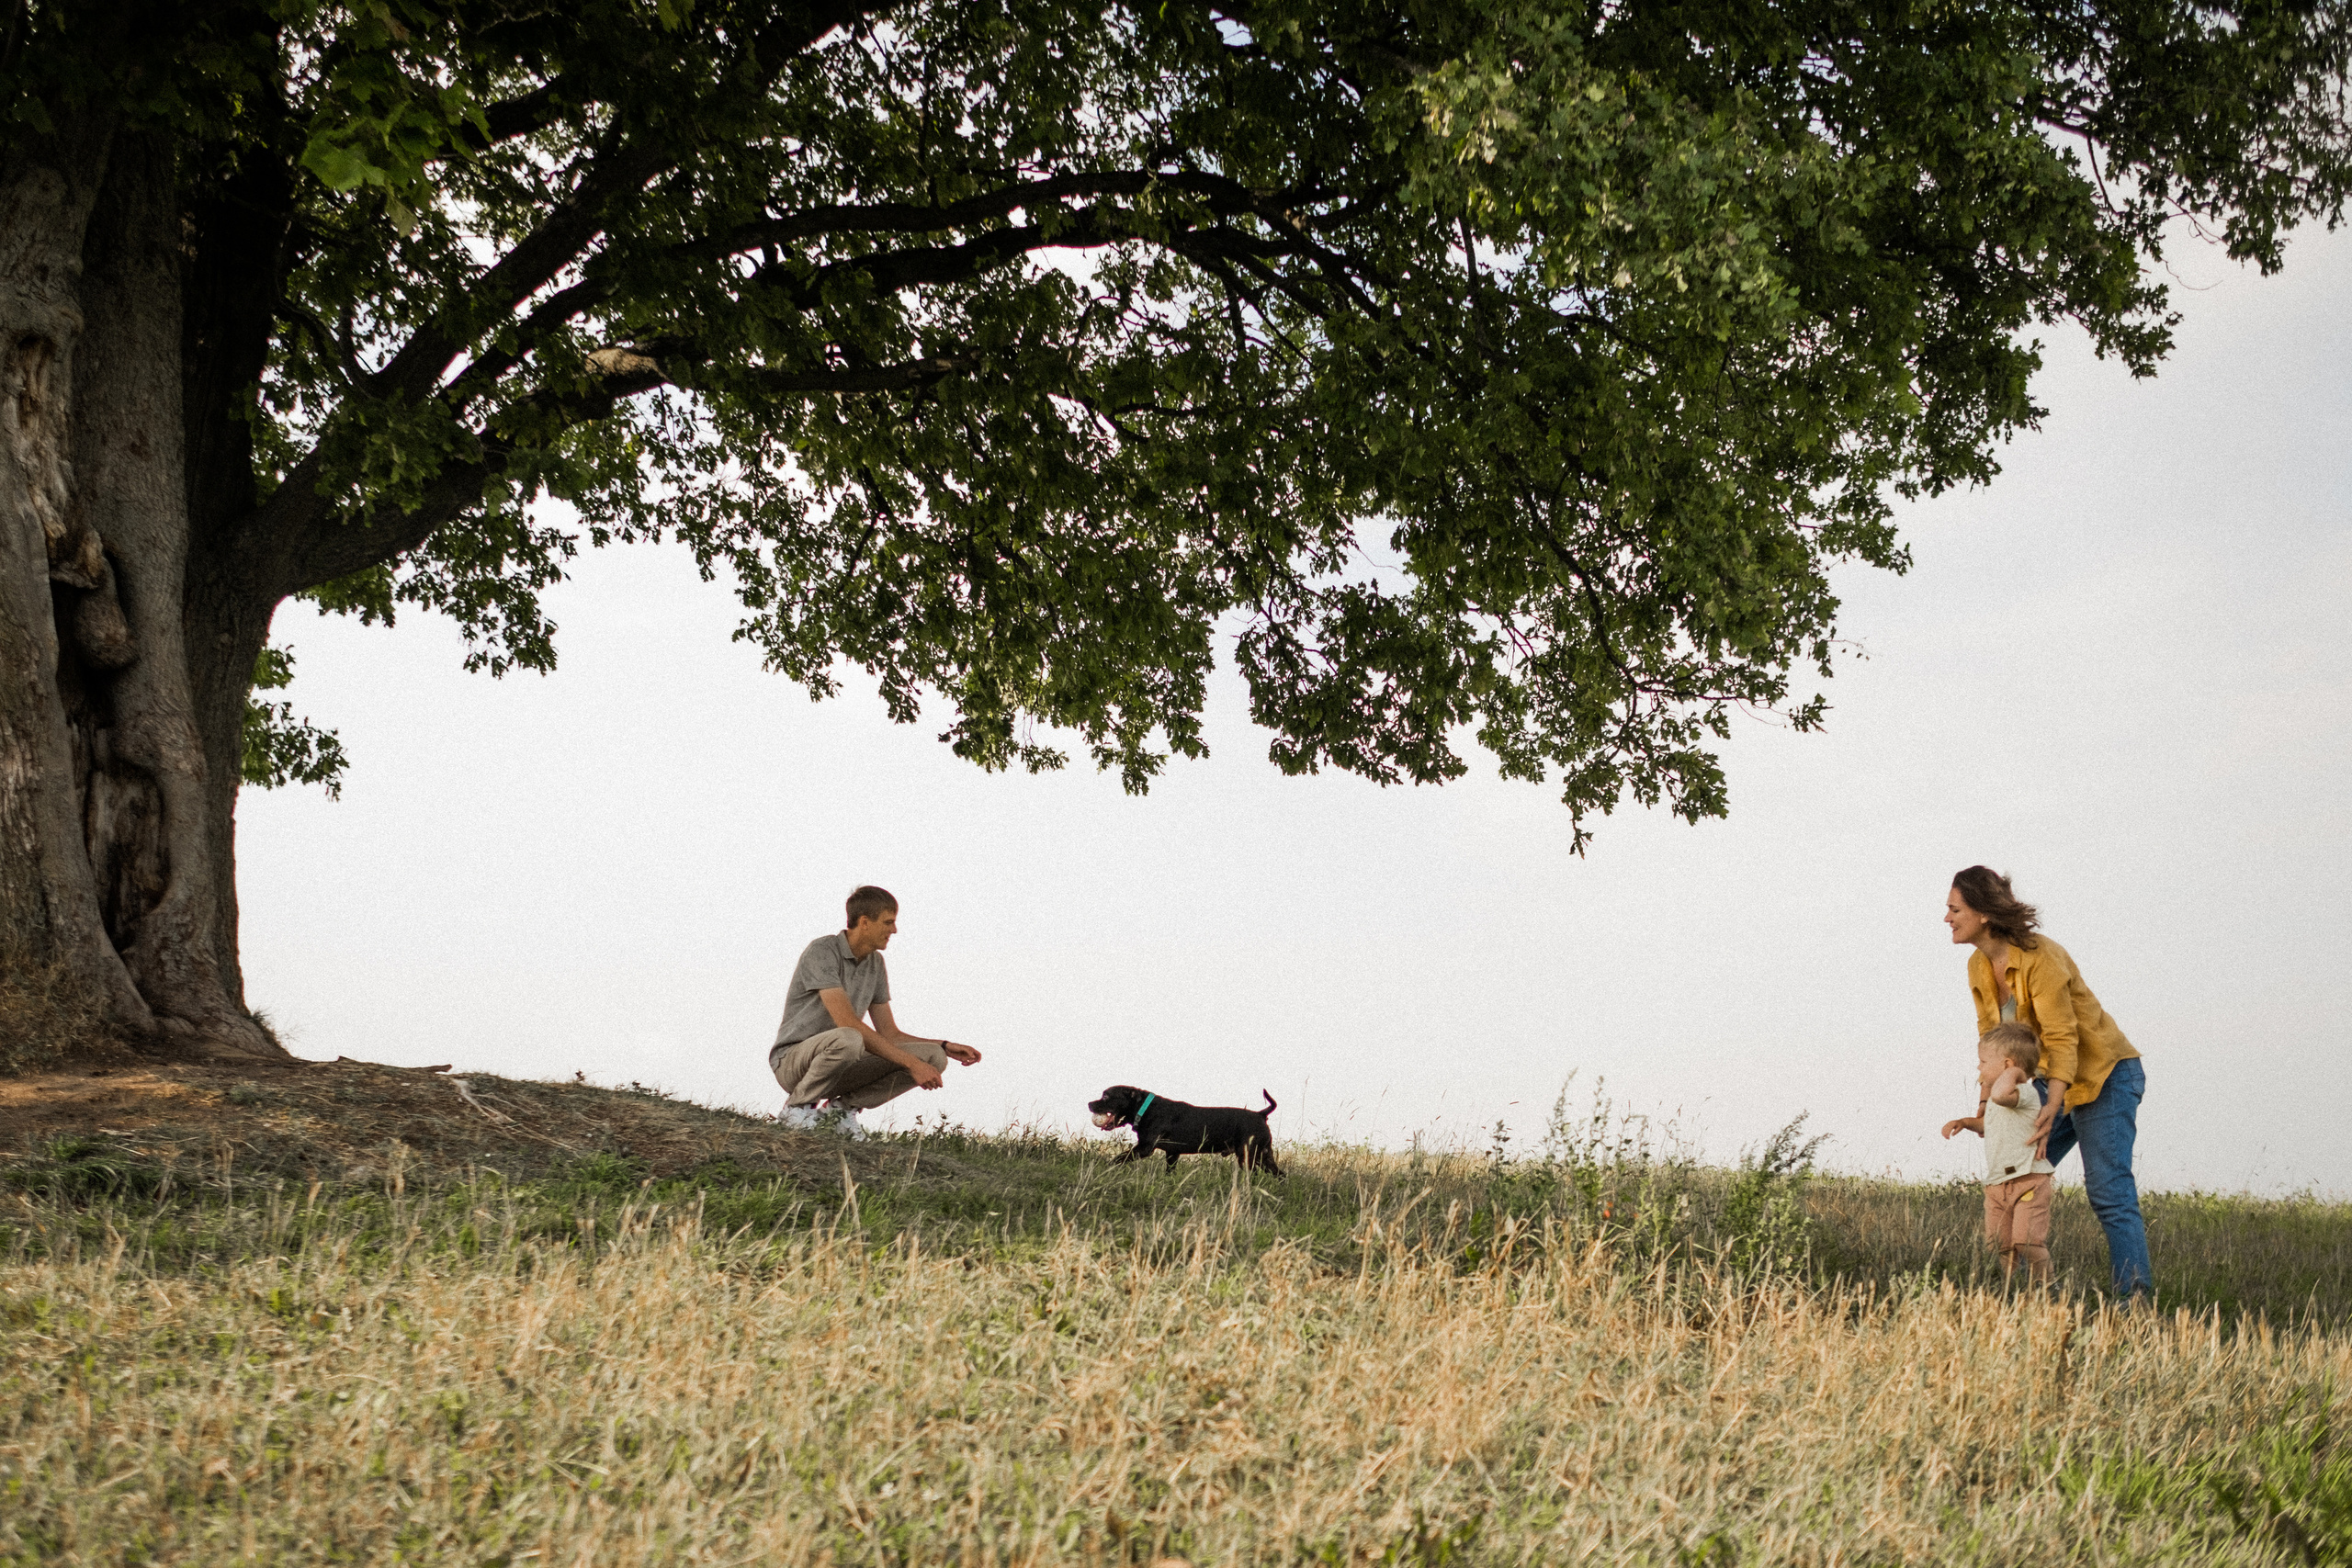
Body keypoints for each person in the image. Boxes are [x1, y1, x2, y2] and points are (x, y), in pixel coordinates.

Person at [1944, 865, 2150, 1300]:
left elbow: (2061, 1036)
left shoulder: (2041, 957)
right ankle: (2038, 1300)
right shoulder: (1978, 967)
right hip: (2051, 1086)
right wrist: (1985, 1113)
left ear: (1982, 913)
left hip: (2102, 1078)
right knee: (2010, 1179)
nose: (1947, 918)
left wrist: (2054, 1103)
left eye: (1954, 908)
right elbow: (1992, 1044)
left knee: (2108, 1192)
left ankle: (2135, 1304)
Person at [769, 886, 982, 1138]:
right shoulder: (822, 951)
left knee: (933, 1057)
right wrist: (911, 1064)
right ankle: (796, 1109)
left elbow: (890, 1034)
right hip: (793, 1063)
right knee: (849, 1037)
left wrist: (944, 1045)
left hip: (843, 1060)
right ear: (865, 922)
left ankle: (839, 1113)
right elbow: (847, 1023)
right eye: (888, 922)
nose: (894, 930)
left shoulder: (876, 964)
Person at [1941, 1021, 2056, 1284]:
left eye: (1983, 1062)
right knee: (2000, 1244)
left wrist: (2015, 1072)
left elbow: (2002, 1094)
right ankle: (2009, 1287)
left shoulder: (2024, 1093)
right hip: (1998, 1184)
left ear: (2007, 1065)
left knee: (2027, 1241)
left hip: (2028, 1180)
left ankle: (2047, 1285)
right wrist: (1966, 1122)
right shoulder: (1998, 1099)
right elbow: (1989, 1124)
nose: (1978, 1068)